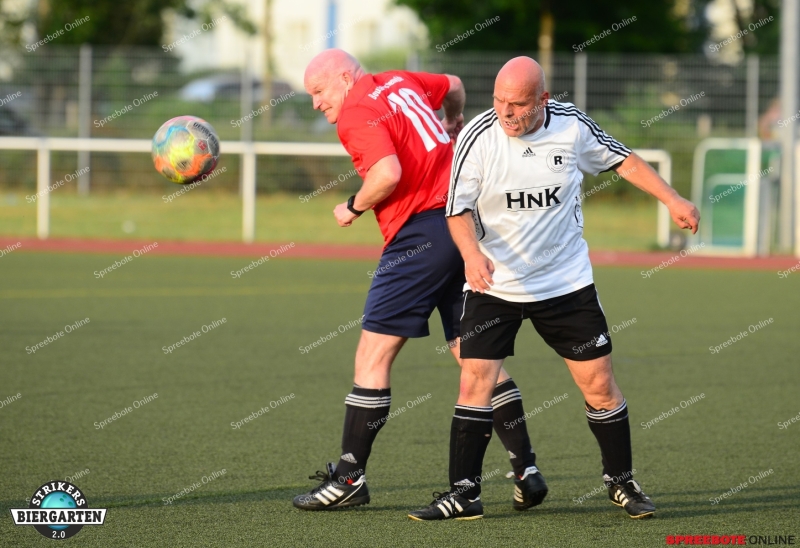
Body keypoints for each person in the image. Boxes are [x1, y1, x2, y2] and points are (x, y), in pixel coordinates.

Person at [408, 56, 700, 521]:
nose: (507, 112)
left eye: (519, 104)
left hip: (565, 284)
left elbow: (623, 160)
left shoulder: (571, 127)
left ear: (543, 99)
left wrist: (672, 199)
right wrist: (470, 254)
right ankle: (464, 493)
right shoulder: (477, 137)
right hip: (495, 284)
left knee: (599, 383)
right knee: (474, 381)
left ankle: (621, 482)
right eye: (500, 100)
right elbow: (455, 209)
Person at [292, 49, 547, 511]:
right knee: (474, 356)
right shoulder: (398, 81)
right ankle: (525, 469)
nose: (316, 103)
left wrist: (352, 206)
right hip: (463, 222)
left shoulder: (356, 110)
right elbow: (452, 82)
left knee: (373, 355)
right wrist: (453, 121)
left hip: (421, 234)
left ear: (345, 78)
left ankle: (349, 478)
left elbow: (387, 174)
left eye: (319, 91)